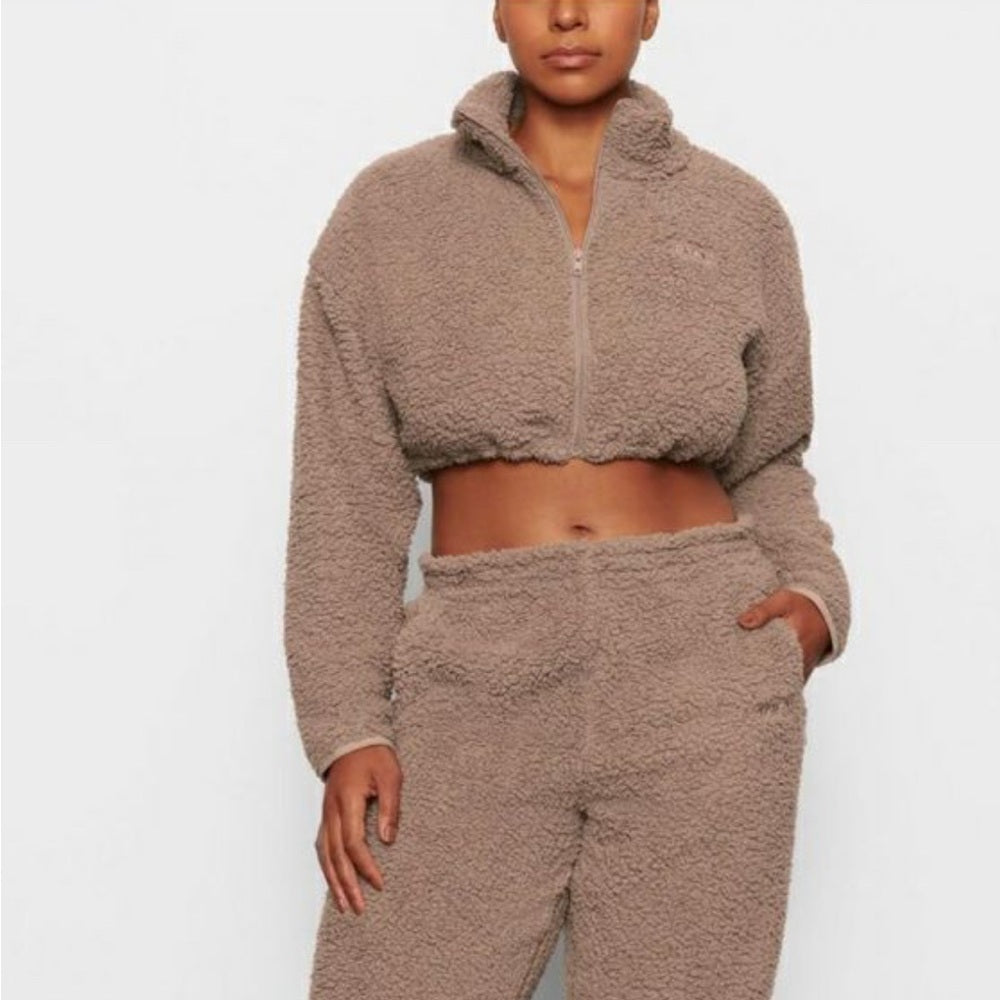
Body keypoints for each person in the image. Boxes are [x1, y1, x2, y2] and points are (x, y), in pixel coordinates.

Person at [282, 2, 851, 998]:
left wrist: (812, 598)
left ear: (651, 10)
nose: (570, 12)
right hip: (474, 676)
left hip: (700, 672)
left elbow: (769, 454)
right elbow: (344, 487)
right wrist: (349, 727)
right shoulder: (390, 215)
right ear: (498, 11)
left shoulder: (737, 216)